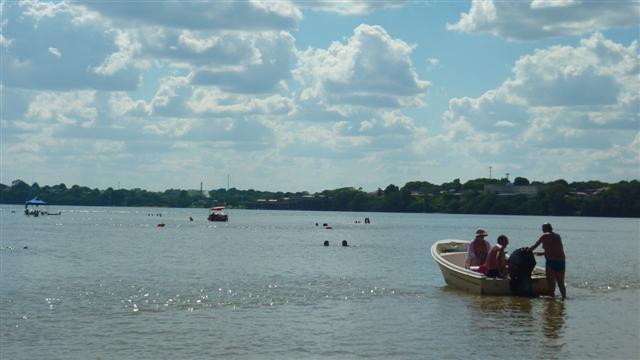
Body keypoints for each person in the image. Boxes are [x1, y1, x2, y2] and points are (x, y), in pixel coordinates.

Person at [529, 223, 566, 299]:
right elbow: (557, 249)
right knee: (561, 283)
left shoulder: (544, 236)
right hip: (561, 261)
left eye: (543, 228)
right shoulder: (557, 236)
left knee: (551, 282)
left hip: (551, 262)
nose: (542, 230)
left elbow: (534, 246)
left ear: (545, 229)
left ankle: (551, 297)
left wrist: (526, 251)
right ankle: (564, 298)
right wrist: (543, 253)